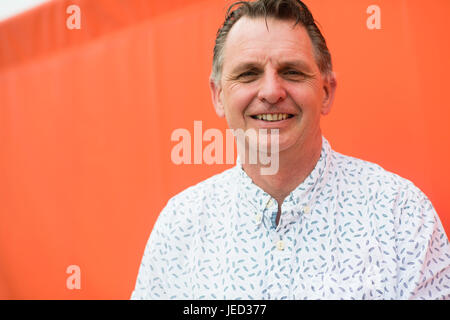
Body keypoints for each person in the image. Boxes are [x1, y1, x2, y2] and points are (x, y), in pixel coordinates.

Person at [131, 0, 450, 299]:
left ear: (326, 91)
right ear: (218, 95)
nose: (271, 91)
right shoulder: (179, 227)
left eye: (292, 72)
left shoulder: (402, 215)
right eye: (248, 74)